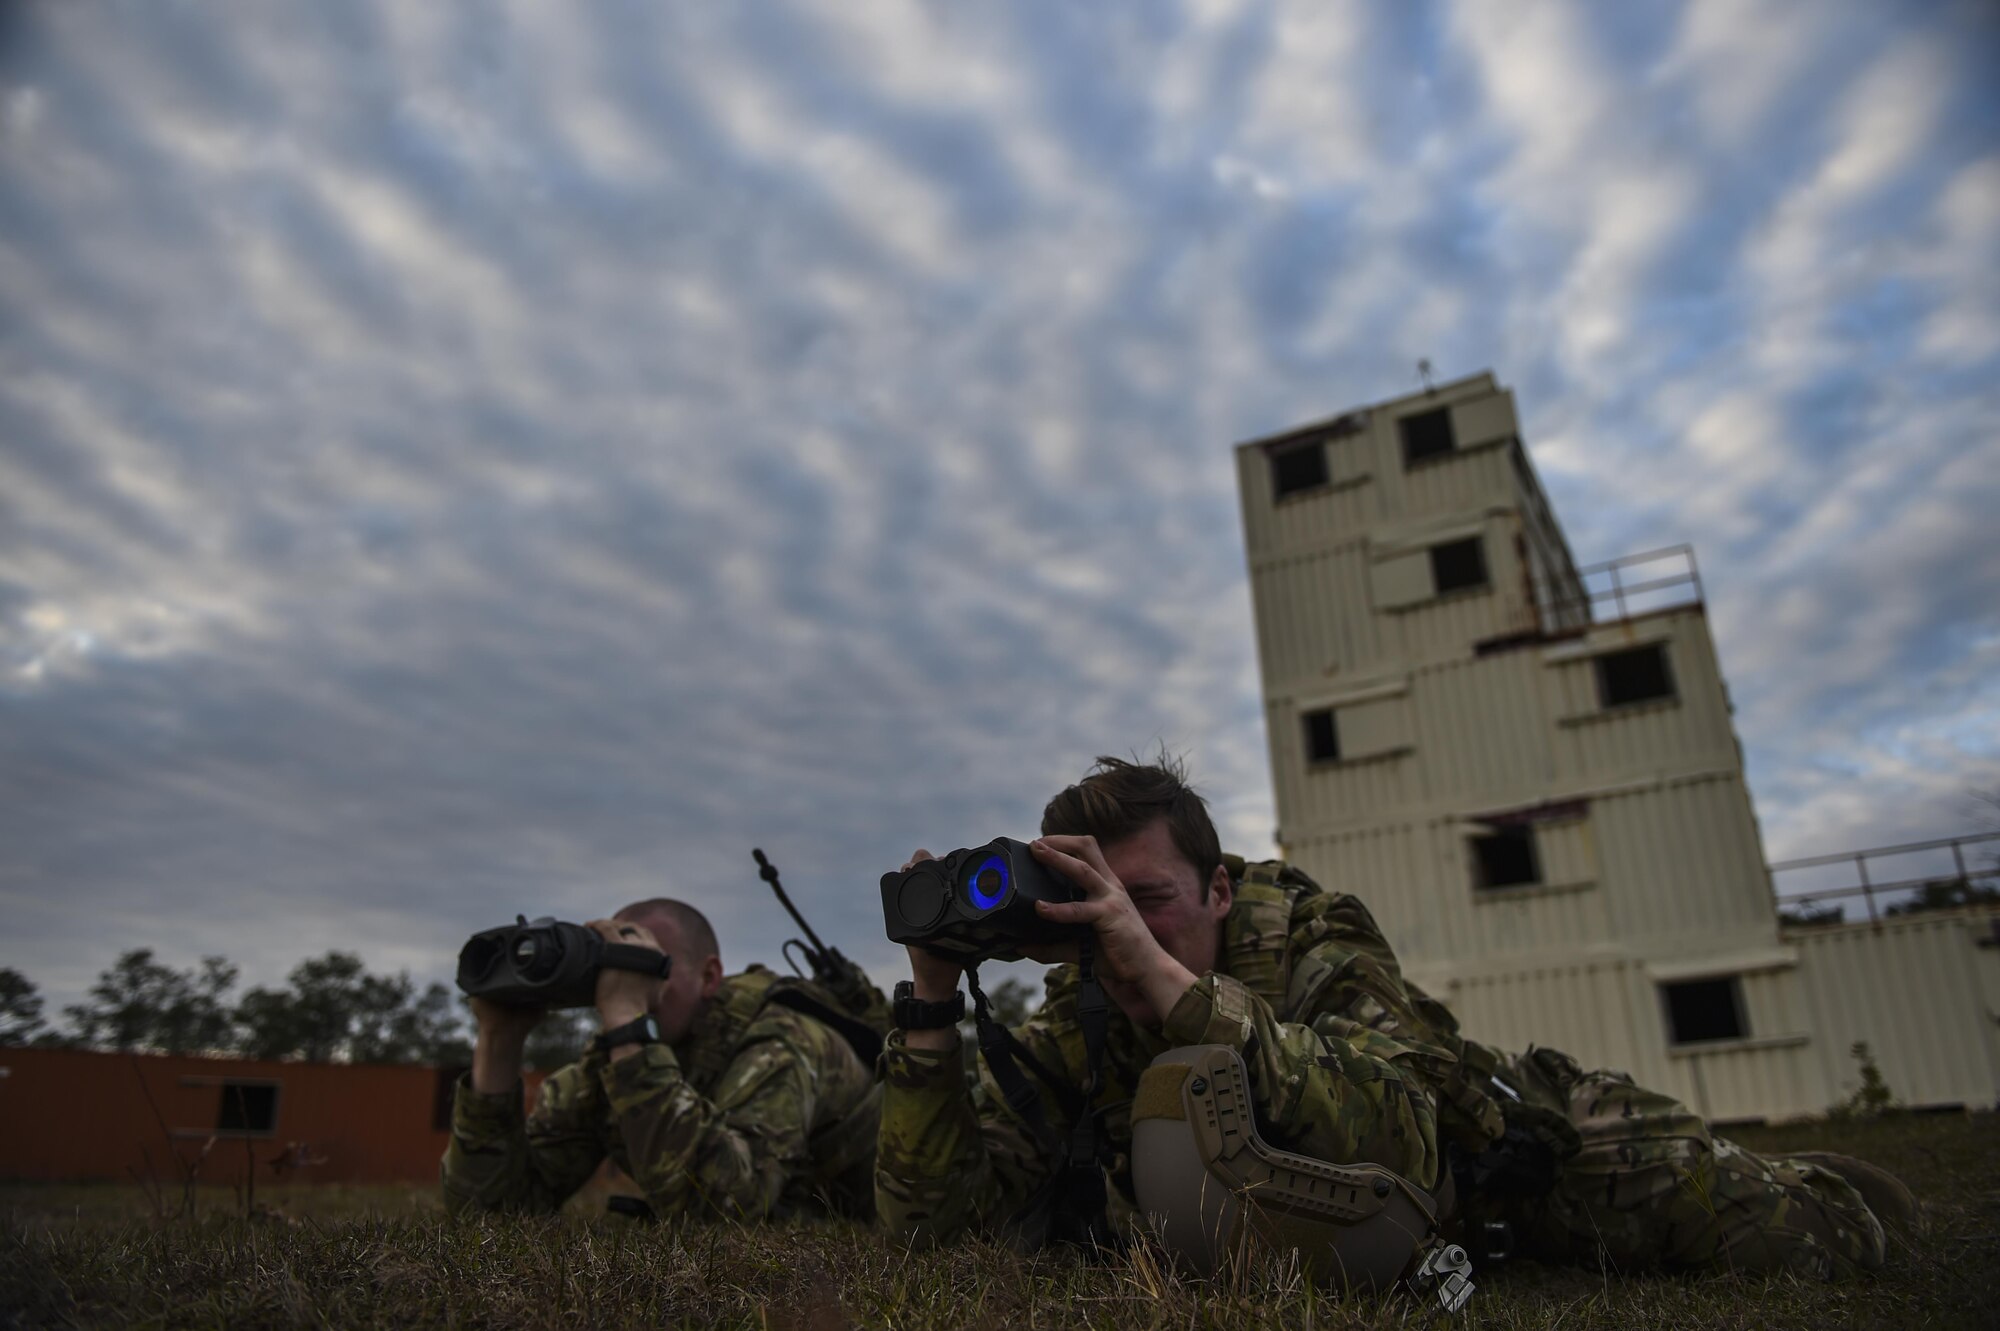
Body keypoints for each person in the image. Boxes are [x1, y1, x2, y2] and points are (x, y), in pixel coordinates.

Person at [875, 756, 1909, 1285]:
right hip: (1356, 1232)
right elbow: (928, 1229)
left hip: (1523, 1150)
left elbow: (1409, 1122)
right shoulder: (1079, 1007)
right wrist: (929, 999)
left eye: (1148, 897)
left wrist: (1171, 984)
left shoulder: (1306, 936)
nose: (1119, 926)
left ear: (1222, 889)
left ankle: (1830, 1175)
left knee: (1818, 1240)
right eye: (1096, 895)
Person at [443, 897, 880, 1222]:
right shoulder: (613, 1062)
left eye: (651, 967)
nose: (629, 983)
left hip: (870, 1223)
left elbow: (726, 1211)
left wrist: (630, 1029)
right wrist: (498, 1043)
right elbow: (492, 1213)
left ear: (710, 976)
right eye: (616, 970)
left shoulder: (780, 1042)